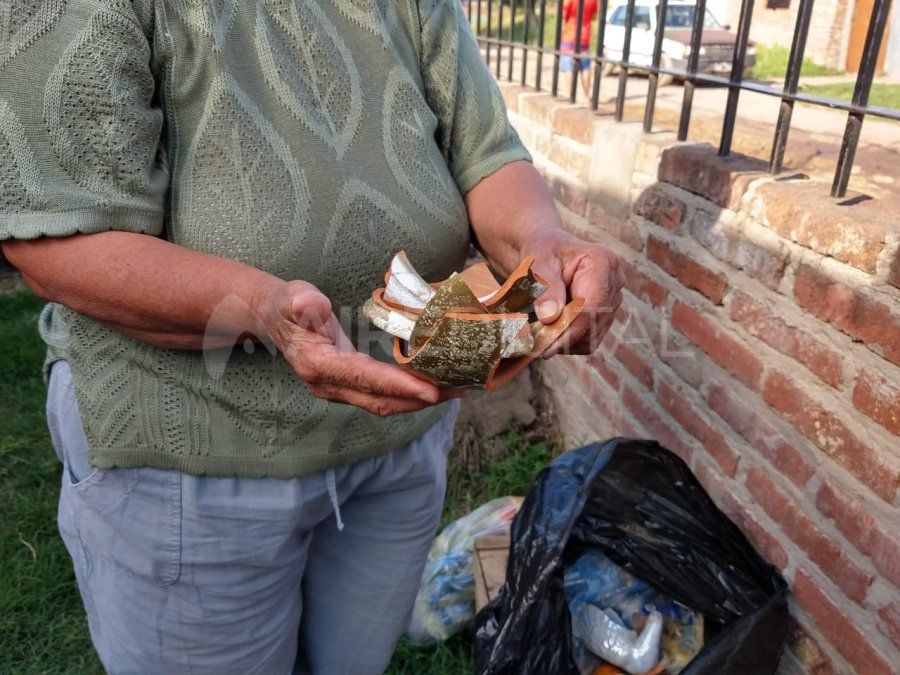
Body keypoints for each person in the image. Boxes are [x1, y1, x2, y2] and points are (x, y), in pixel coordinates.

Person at [0, 1, 624, 672]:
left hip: (397, 444)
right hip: (193, 458)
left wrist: (541, 241)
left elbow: (486, 155)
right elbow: (61, 235)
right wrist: (263, 306)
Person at [561, 0, 601, 99]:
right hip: (584, 38)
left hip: (569, 37)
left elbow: (563, 14)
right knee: (585, 68)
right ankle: (586, 96)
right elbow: (594, 16)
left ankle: (571, 96)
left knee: (568, 68)